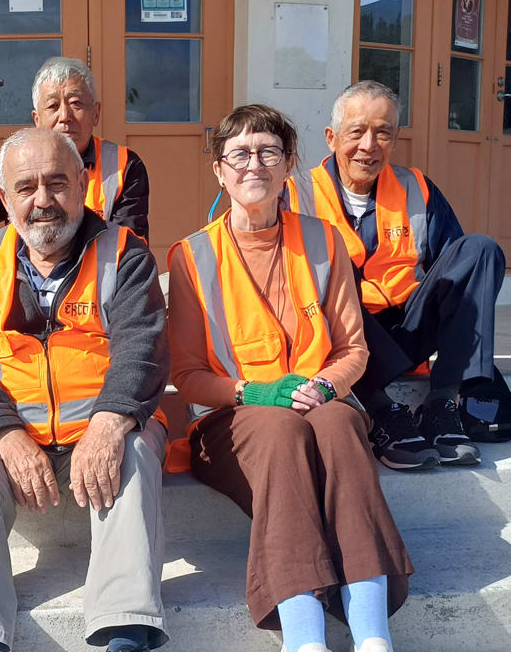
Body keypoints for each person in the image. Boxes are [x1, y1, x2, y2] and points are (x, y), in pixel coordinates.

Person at [168, 104, 413, 652]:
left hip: (317, 402)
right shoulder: (191, 256)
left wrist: (325, 386)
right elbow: (185, 375)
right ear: (219, 169)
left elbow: (352, 349)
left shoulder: (325, 242)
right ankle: (305, 640)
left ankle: (374, 635)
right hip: (230, 420)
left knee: (338, 430)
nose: (253, 164)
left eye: (268, 152)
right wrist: (253, 392)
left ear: (288, 165)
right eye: (239, 154)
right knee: (282, 435)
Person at [0, 127, 169, 652]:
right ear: (5, 198)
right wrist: (6, 435)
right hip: (20, 431)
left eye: (57, 183)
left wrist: (108, 424)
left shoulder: (126, 253)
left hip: (105, 422)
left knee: (134, 455)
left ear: (82, 185)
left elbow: (142, 349)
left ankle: (125, 629)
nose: (43, 200)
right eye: (26, 187)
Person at [284, 80, 510, 471]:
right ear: (331, 137)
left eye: (383, 132)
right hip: (340, 335)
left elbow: (458, 275)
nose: (369, 145)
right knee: (331, 262)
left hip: (408, 327)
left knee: (480, 250)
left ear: (395, 138)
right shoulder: (294, 193)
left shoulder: (416, 187)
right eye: (356, 132)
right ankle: (383, 411)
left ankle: (441, 405)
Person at [0, 56, 151, 264]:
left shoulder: (123, 166)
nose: (65, 116)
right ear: (37, 119)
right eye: (53, 106)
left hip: (96, 288)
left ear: (96, 113)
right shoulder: (16, 165)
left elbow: (130, 248)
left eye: (76, 103)